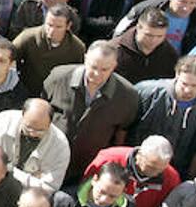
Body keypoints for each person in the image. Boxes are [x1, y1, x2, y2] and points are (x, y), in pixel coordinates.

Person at [42, 42, 140, 182]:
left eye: (104, 69)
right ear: (85, 58)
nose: (97, 74)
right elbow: (42, 108)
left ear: (114, 66)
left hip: (88, 168)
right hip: (49, 158)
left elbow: (122, 132)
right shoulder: (58, 77)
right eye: (93, 67)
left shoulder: (127, 95)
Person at [133, 56, 196, 178]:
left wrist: (189, 177)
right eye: (184, 84)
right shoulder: (148, 92)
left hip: (176, 171)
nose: (188, 90)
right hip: (139, 162)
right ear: (177, 74)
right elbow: (126, 124)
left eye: (194, 85)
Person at [0, 98, 70, 191]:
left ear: (50, 124)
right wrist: (33, 179)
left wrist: (8, 169)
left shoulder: (60, 145)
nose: (33, 133)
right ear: (22, 115)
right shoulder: (1, 123)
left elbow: (50, 187)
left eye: (40, 130)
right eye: (28, 128)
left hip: (30, 195)